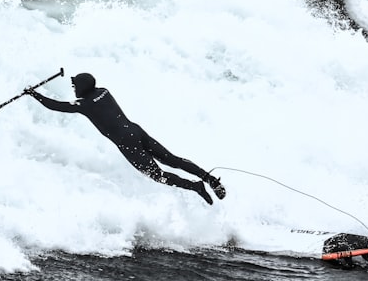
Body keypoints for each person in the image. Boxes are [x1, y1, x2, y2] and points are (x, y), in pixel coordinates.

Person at [25, 72, 225, 205]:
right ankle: (209, 178)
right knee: (173, 160)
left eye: (75, 85)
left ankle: (196, 186)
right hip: (136, 131)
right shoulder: (104, 92)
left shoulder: (84, 104)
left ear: (82, 87)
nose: (74, 88)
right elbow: (82, 97)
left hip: (127, 141)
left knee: (158, 175)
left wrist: (34, 94)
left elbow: (56, 106)